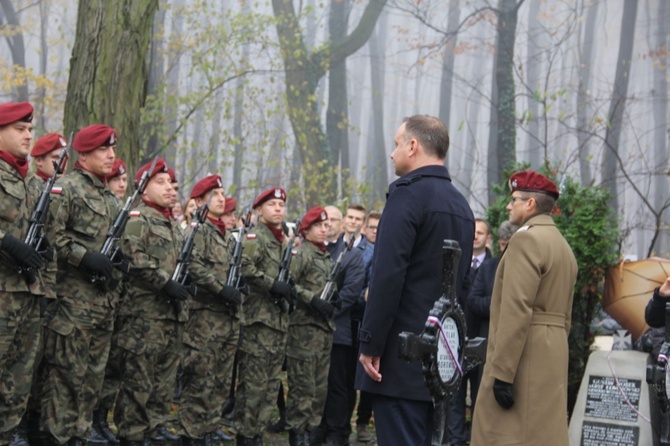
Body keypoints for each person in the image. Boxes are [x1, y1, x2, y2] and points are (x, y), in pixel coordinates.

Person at [357, 115, 474, 446]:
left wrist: (370, 343)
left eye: (396, 144)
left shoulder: (406, 196)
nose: (392, 153)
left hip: (400, 357)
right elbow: (460, 286)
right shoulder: (461, 206)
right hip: (441, 357)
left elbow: (387, 275)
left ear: (413, 145)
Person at [471, 170, 578, 446]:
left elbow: (516, 309)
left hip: (523, 356)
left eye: (514, 199)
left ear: (530, 204)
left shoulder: (526, 239)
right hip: (550, 352)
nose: (509, 205)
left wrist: (502, 374)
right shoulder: (562, 245)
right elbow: (565, 315)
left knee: (504, 435)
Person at [41, 124, 123, 445]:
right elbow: (51, 238)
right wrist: (85, 257)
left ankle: (81, 435)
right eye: (103, 149)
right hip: (72, 305)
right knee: (67, 378)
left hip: (103, 305)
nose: (111, 156)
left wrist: (118, 263)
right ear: (84, 154)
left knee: (92, 379)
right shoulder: (68, 188)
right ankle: (58, 438)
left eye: (112, 149)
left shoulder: (110, 198)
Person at [113, 158, 189, 444]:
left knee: (164, 382)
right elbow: (132, 256)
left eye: (170, 182)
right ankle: (133, 435)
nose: (169, 188)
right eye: (161, 182)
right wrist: (165, 282)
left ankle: (156, 430)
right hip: (144, 317)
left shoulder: (172, 224)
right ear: (144, 188)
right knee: (138, 383)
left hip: (171, 316)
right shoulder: (138, 217)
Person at [177, 174, 242, 444]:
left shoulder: (226, 236)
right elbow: (191, 265)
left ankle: (208, 430)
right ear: (200, 201)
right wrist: (220, 288)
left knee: (219, 383)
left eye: (222, 193)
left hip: (227, 320)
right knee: (200, 382)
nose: (221, 198)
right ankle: (191, 435)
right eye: (215, 195)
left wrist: (239, 287)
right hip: (204, 319)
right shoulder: (198, 230)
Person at [0, 102, 48, 445]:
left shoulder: (30, 178)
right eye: (20, 129)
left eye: (31, 129)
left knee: (18, 378)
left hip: (26, 292)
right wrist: (6, 242)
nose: (29, 135)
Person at [234, 187, 294, 445]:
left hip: (277, 324)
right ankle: (246, 436)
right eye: (272, 205)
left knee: (270, 388)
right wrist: (272, 285)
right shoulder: (255, 237)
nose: (278, 208)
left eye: (281, 204)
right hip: (257, 324)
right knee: (253, 388)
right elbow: (244, 268)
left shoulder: (283, 241)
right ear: (258, 210)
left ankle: (256, 434)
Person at [285, 206, 336, 446]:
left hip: (324, 331)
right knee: (302, 389)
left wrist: (334, 300)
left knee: (318, 390)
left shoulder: (325, 256)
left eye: (326, 226)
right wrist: (312, 299)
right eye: (319, 226)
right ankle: (298, 435)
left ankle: (311, 434)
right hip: (304, 330)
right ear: (306, 230)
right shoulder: (302, 254)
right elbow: (288, 284)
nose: (324, 230)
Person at [316, 205, 365, 446]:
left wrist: (327, 311)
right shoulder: (314, 250)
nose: (329, 225)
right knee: (316, 383)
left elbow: (351, 292)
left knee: (336, 386)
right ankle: (319, 427)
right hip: (311, 330)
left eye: (334, 220)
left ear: (342, 223)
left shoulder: (351, 255)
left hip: (337, 330)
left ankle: (338, 432)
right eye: (324, 221)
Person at [447, 218, 492, 446]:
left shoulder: (494, 266)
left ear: (488, 238)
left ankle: (475, 438)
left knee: (479, 395)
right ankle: (455, 440)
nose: (475, 237)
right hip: (455, 338)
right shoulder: (457, 262)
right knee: (454, 395)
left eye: (481, 233)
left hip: (481, 339)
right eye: (473, 232)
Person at [465, 220, 518, 414]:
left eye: (511, 244)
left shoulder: (525, 269)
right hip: (487, 338)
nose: (507, 249)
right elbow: (473, 301)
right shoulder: (488, 268)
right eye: (504, 244)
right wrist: (501, 305)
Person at [353, 210, 380, 443]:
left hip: (375, 323)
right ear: (364, 228)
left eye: (379, 228)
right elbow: (351, 287)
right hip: (355, 320)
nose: (375, 232)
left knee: (370, 379)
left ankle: (363, 423)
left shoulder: (386, 250)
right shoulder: (357, 252)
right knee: (349, 380)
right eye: (372, 227)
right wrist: (364, 295)